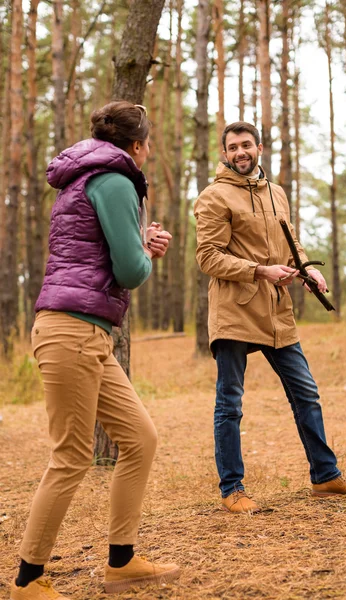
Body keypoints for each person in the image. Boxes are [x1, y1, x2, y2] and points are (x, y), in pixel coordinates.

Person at [10, 101, 180, 600]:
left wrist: (136, 241)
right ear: (137, 145)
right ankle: (27, 580)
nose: (149, 153)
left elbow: (99, 250)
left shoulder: (85, 178)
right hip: (72, 334)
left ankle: (122, 561)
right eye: (149, 145)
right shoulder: (116, 180)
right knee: (71, 458)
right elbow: (129, 271)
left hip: (86, 334)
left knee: (140, 438)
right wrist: (147, 251)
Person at [194, 121, 346, 515]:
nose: (240, 152)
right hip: (235, 310)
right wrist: (260, 270)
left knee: (306, 391)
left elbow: (291, 245)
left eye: (246, 145)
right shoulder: (213, 197)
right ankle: (233, 489)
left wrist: (307, 268)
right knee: (230, 403)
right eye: (233, 147)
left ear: (260, 148)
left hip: (277, 312)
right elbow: (208, 256)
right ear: (224, 154)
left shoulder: (276, 193)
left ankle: (325, 476)